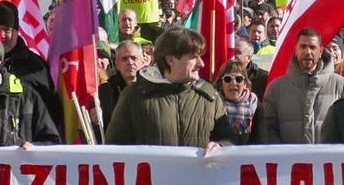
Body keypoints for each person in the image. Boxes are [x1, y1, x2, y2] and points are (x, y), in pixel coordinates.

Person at [106, 28, 234, 147]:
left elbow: (229, 139)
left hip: (200, 172)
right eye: (194, 57)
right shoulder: (134, 95)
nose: (201, 63)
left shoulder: (209, 95)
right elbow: (115, 147)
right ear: (170, 60)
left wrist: (221, 146)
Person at [262, 28, 344, 144]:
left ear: (320, 51)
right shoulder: (275, 89)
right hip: (288, 160)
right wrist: (282, 154)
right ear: (295, 50)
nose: (307, 52)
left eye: (312, 47)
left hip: (328, 160)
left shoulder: (341, 86)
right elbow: (268, 129)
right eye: (303, 46)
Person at [0, 1, 61, 126]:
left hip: (26, 139)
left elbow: (51, 111)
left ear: (16, 32)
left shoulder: (36, 66)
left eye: (7, 30)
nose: (1, 35)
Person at [98, 40, 144, 129]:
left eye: (134, 58)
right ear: (117, 64)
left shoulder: (154, 88)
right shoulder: (105, 91)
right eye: (124, 59)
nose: (130, 62)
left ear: (142, 61)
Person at [215, 59, 259, 145]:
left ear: (245, 83)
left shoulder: (255, 105)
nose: (233, 83)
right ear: (221, 83)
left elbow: (261, 140)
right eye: (228, 79)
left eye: (238, 79)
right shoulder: (212, 105)